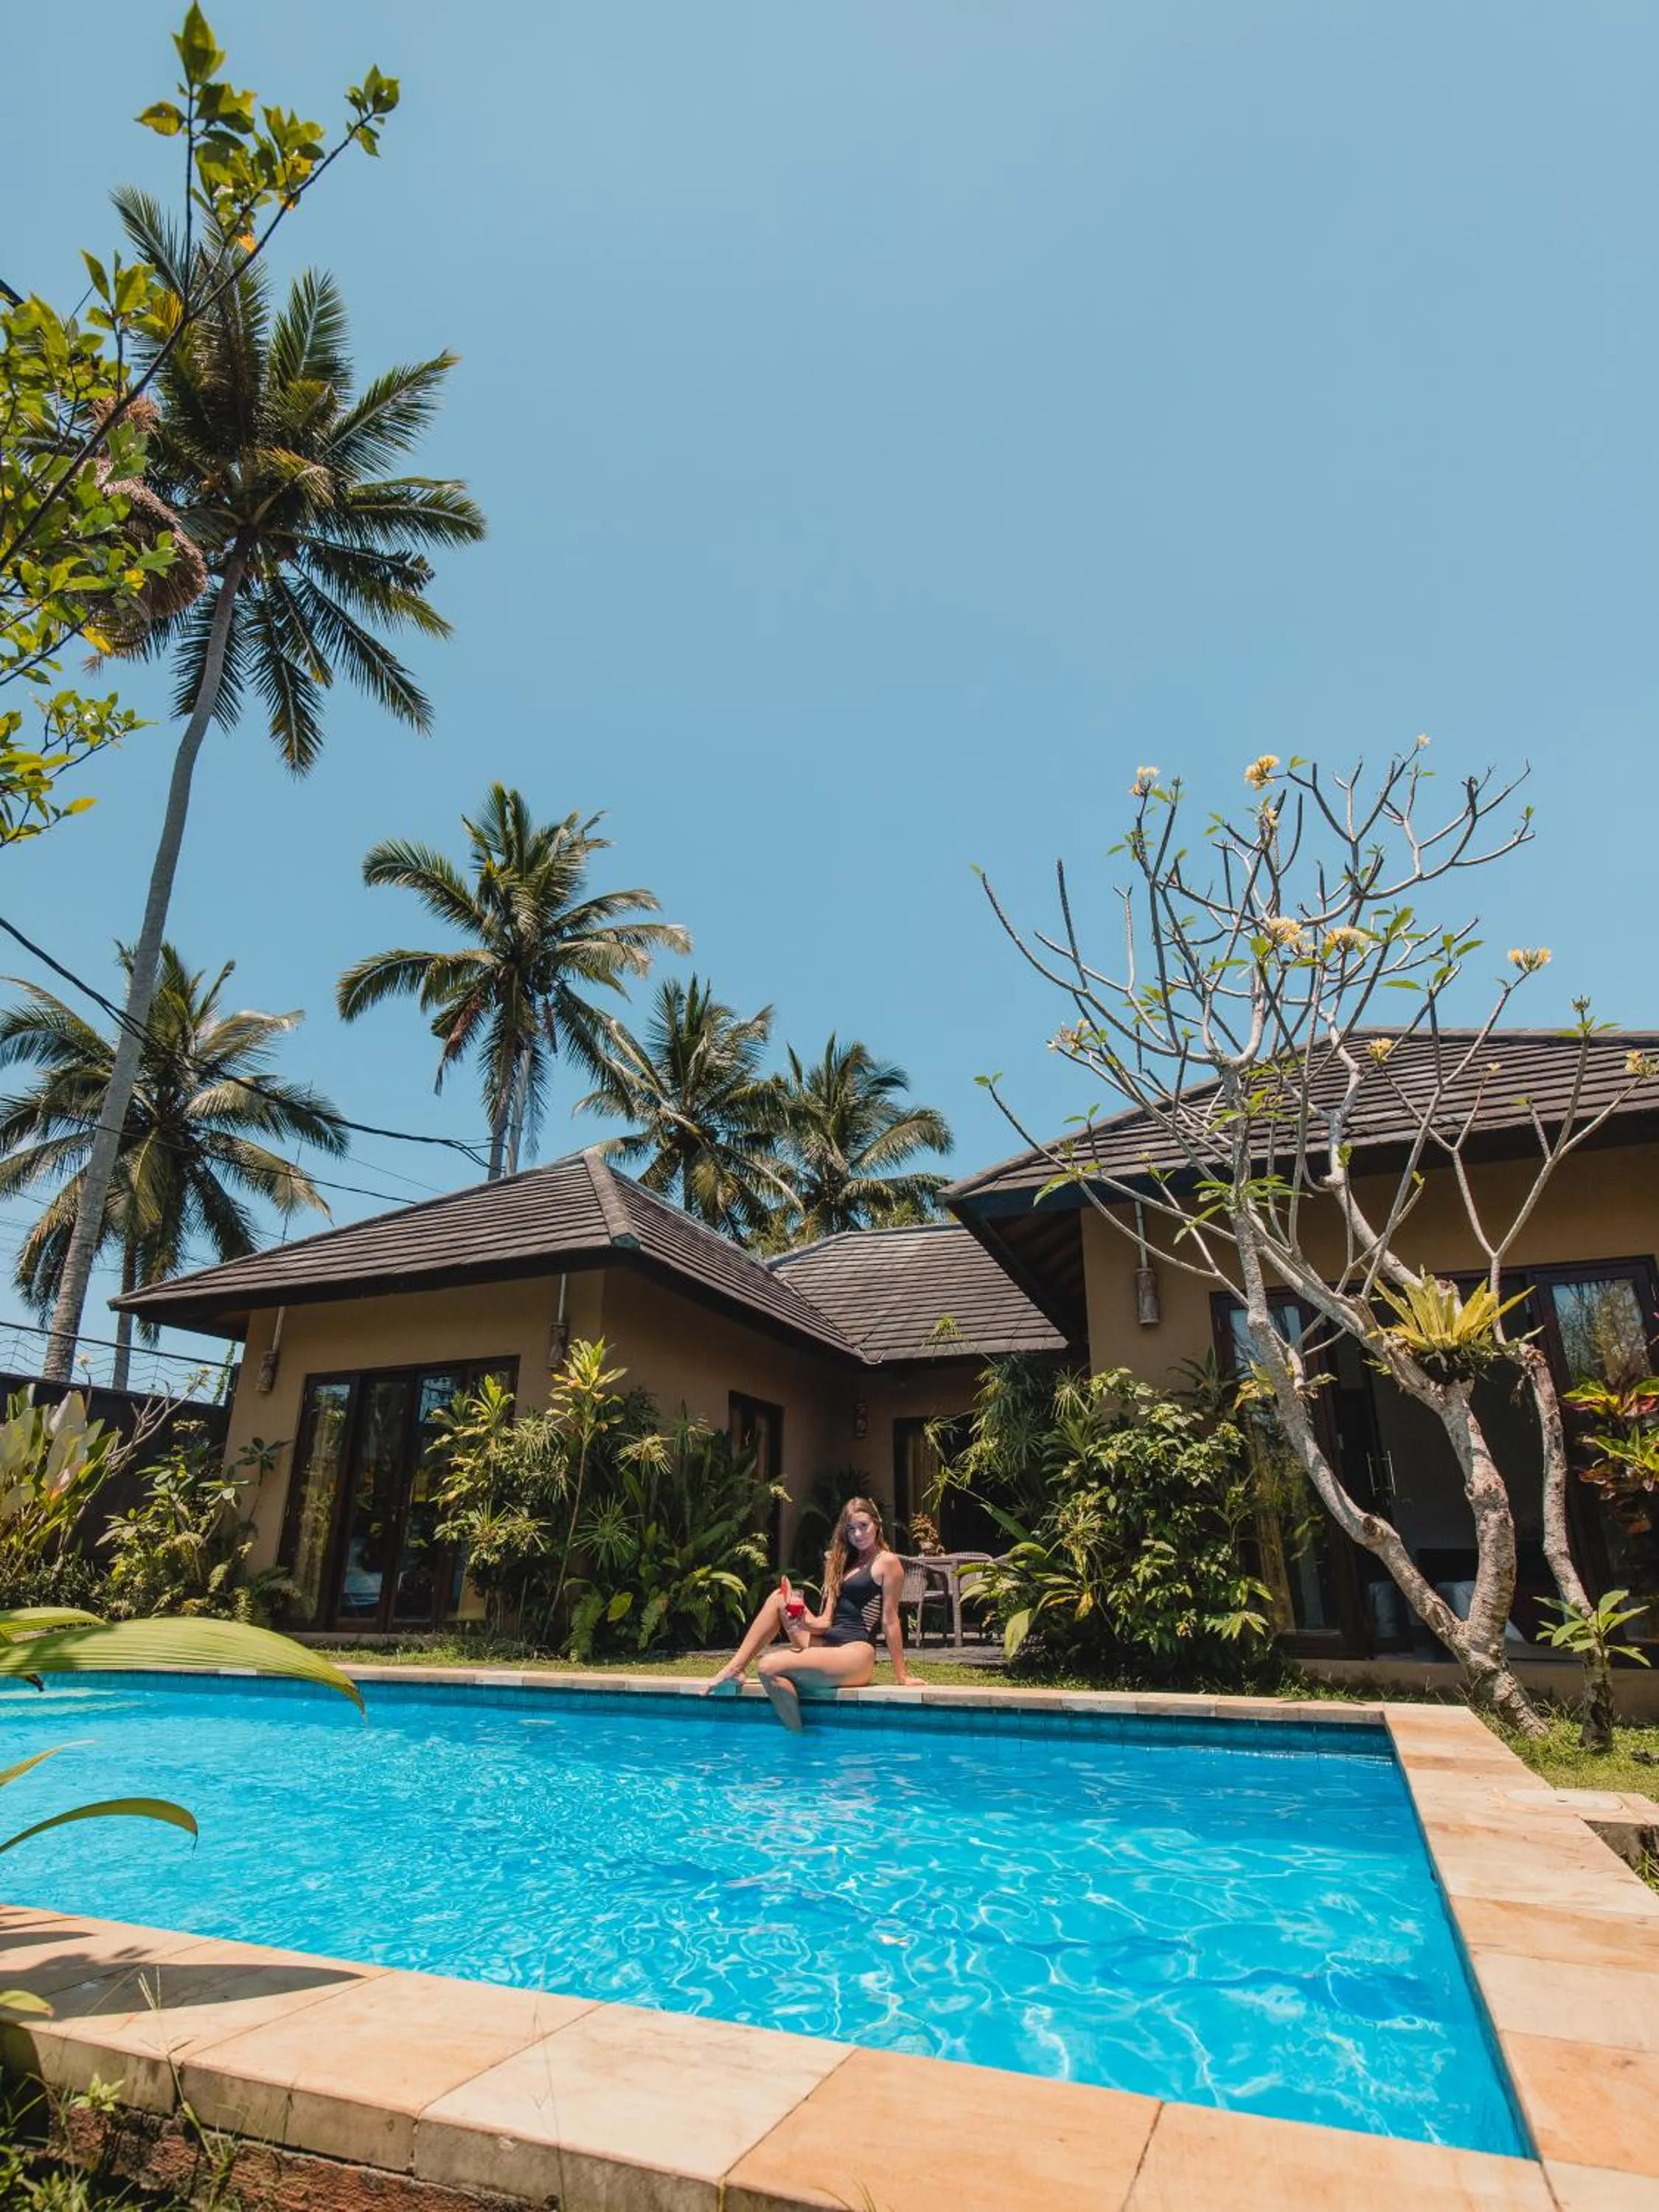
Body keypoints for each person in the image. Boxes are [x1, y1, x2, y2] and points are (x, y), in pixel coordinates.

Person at [701, 1495, 910, 1728]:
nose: (858, 1535)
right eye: (851, 1529)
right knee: (780, 1598)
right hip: (828, 1643)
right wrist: (802, 1618)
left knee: (768, 1667)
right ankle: (735, 1668)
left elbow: (890, 1620)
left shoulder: (887, 1562)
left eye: (864, 1526)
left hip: (855, 1653)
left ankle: (799, 1739)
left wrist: (902, 1676)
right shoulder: (843, 1565)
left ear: (877, 1524)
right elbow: (824, 1623)